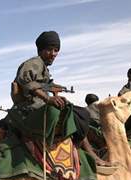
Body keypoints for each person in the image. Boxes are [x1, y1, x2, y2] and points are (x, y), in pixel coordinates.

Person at [10, 31, 111, 166]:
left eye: (56, 50)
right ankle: (91, 154)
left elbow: (42, 85)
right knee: (77, 113)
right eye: (49, 49)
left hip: (35, 108)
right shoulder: (34, 63)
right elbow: (27, 82)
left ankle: (84, 152)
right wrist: (48, 98)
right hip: (27, 111)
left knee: (76, 111)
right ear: (41, 50)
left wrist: (53, 89)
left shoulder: (43, 68)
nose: (53, 54)